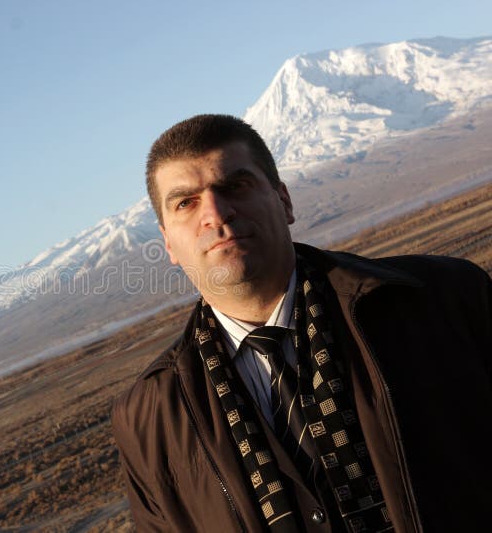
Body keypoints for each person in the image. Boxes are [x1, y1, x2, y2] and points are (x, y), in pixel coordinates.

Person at [111, 114, 492, 533]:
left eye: (234, 186)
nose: (216, 214)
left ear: (284, 200)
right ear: (168, 243)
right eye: (186, 202)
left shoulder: (441, 300)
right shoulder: (148, 419)